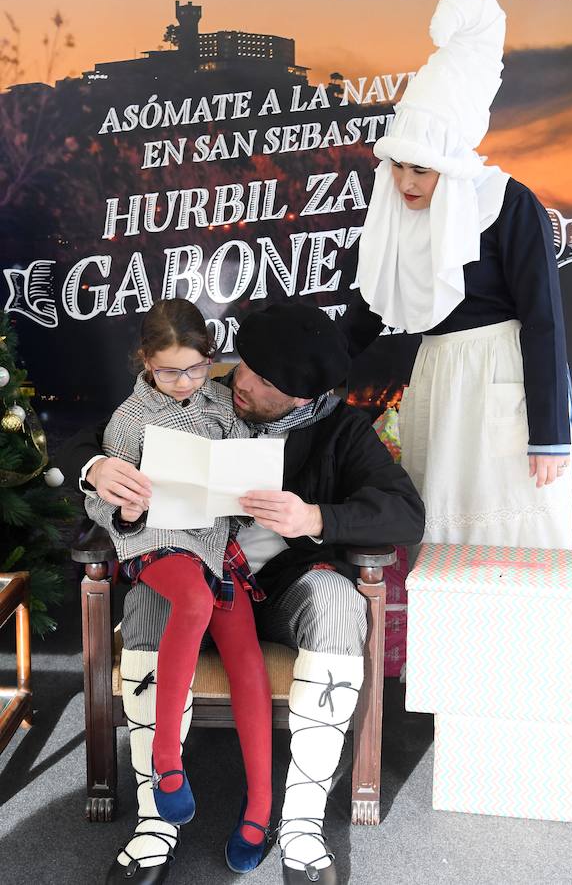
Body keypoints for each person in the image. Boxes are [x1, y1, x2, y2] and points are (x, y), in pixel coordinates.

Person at [59, 302, 425, 885]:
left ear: (302, 399)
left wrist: (313, 516)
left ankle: (300, 822)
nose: (242, 381)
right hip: (190, 577)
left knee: (337, 599)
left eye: (263, 381)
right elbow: (94, 434)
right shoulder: (199, 383)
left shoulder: (341, 429)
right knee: (154, 598)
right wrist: (97, 469)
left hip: (279, 593)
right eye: (245, 366)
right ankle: (157, 817)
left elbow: (406, 515)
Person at [345, 0, 572, 550]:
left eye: (422, 171)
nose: (406, 183)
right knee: (443, 530)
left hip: (502, 378)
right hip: (437, 379)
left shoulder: (508, 202)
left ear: (450, 167)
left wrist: (548, 436)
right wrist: (301, 381)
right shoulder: (399, 215)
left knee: (516, 527)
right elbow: (368, 311)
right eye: (398, 166)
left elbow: (544, 318)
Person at [84, 298, 273, 876]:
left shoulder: (220, 404)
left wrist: (249, 492)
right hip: (156, 543)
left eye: (195, 368)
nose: (184, 382)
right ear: (146, 362)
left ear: (210, 360)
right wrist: (123, 501)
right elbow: (98, 501)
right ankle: (167, 759)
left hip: (215, 543)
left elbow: (248, 470)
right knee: (191, 598)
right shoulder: (130, 418)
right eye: (169, 371)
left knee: (245, 652)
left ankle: (260, 806)